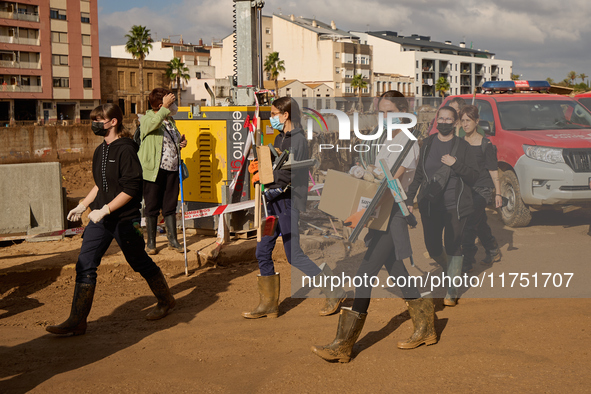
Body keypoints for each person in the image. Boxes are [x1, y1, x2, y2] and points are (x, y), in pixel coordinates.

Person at [311, 91, 436, 363]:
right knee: (396, 270)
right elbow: (377, 176)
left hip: (394, 215)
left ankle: (344, 344)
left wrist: (363, 204)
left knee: (365, 273)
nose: (384, 116)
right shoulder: (386, 141)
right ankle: (426, 325)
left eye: (390, 111)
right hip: (381, 215)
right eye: (382, 111)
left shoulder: (407, 143)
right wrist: (362, 173)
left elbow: (390, 185)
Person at [46, 104, 175, 336]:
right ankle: (77, 320)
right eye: (93, 119)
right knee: (85, 264)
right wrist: (83, 205)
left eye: (99, 119)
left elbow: (130, 188)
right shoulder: (100, 151)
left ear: (113, 121)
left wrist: (105, 209)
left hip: (126, 219)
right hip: (100, 219)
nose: (95, 123)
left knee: (139, 261)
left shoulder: (126, 150)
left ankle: (166, 300)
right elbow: (101, 184)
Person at [242, 97, 346, 319]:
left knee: (294, 255)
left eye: (273, 114)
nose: (271, 118)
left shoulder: (297, 140)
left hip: (287, 205)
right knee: (262, 251)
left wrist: (265, 176)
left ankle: (333, 290)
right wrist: (260, 166)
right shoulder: (281, 138)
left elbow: (291, 172)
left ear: (285, 115)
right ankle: (269, 304)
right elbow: (277, 164)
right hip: (273, 206)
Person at [405, 106, 479, 307]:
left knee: (454, 245)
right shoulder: (427, 144)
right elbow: (419, 174)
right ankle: (450, 269)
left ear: (455, 123)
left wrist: (456, 164)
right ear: (436, 120)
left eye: (449, 119)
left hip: (455, 205)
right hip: (430, 205)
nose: (444, 122)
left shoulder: (463, 147)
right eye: (441, 118)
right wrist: (409, 198)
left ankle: (452, 289)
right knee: (433, 246)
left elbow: (474, 176)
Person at [138, 88, 187, 254]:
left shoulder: (171, 121)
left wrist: (179, 143)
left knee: (170, 205)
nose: (174, 107)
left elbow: (167, 142)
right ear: (161, 105)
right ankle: (151, 242)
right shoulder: (147, 118)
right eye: (170, 103)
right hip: (154, 170)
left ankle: (172, 239)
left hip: (172, 169)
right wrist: (164, 108)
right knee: (152, 206)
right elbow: (151, 126)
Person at [459, 105, 502, 271]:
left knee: (469, 220)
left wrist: (497, 193)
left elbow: (492, 169)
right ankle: (492, 249)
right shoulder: (460, 143)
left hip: (482, 188)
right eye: (462, 121)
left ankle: (467, 260)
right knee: (479, 221)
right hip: (466, 188)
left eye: (468, 120)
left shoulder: (486, 144)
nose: (465, 124)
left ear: (476, 121)